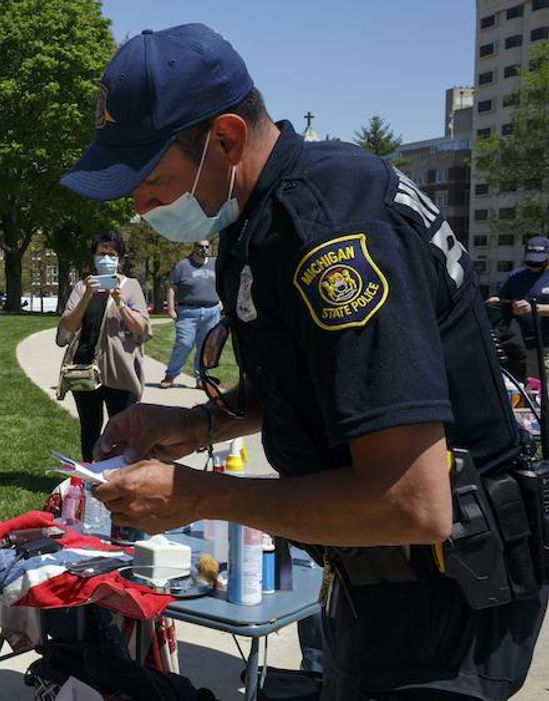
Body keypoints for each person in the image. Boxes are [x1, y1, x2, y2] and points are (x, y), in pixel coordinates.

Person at [62, 24, 546, 699]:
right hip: (373, 578)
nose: (137, 208)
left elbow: (412, 502)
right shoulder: (257, 215)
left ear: (224, 140)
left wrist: (199, 496)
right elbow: (316, 382)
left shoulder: (332, 232)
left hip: (444, 605)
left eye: (148, 180)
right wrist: (192, 424)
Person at [56, 231, 151, 461]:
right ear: (94, 257)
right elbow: (67, 325)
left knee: (122, 432)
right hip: (85, 369)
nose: (106, 258)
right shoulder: (82, 287)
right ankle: (90, 480)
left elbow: (142, 328)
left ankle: (118, 478)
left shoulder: (131, 286)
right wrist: (87, 295)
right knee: (89, 428)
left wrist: (120, 303)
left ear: (120, 258)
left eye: (112, 254)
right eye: (102, 253)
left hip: (121, 372)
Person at [487, 236, 549, 382]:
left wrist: (535, 308)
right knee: (531, 389)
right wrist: (496, 302)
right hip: (524, 345)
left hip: (547, 345)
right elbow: (501, 298)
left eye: (538, 259)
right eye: (531, 258)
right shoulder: (515, 277)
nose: (534, 263)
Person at [160, 240, 220, 389]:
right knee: (184, 344)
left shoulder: (215, 264)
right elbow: (171, 287)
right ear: (194, 248)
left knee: (206, 347)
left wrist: (221, 302)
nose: (204, 249)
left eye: (207, 246)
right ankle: (170, 375)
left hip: (211, 311)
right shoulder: (183, 265)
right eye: (200, 246)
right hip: (188, 312)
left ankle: (201, 378)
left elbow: (223, 282)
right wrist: (171, 309)